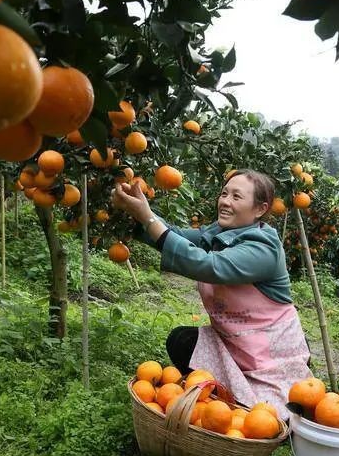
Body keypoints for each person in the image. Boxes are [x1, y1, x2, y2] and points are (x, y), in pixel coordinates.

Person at [112, 169, 312, 419]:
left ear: (259, 209)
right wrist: (137, 214)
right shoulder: (219, 232)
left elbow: (209, 266)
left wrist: (147, 218)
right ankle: (223, 401)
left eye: (237, 197)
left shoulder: (264, 248)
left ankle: (254, 411)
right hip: (234, 345)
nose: (226, 201)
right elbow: (177, 236)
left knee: (271, 413)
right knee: (182, 340)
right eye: (224, 193)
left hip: (270, 356)